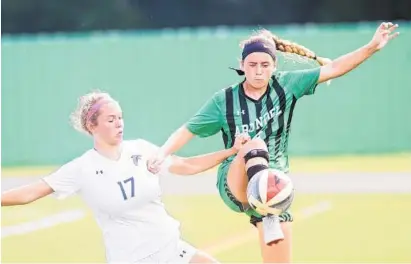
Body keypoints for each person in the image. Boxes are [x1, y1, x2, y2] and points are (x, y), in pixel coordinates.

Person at [147, 22, 400, 263]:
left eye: (265, 65)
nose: (258, 71)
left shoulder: (287, 85)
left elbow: (334, 68)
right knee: (253, 144)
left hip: (276, 187)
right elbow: (187, 130)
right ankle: (267, 211)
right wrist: (162, 152)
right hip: (236, 182)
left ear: (274, 66)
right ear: (242, 65)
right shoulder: (224, 100)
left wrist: (372, 47)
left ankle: (267, 211)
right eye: (252, 64)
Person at [1, 91, 251, 264]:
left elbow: (186, 165)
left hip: (171, 249)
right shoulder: (82, 168)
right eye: (111, 119)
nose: (119, 124)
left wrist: (231, 151)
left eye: (120, 118)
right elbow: (30, 192)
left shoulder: (141, 150)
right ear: (92, 126)